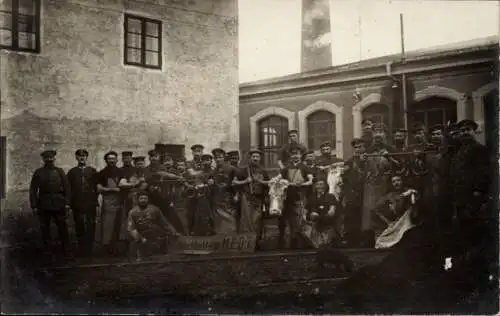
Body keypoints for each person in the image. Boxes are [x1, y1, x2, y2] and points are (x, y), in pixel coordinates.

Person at [29, 150, 71, 257]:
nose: (49, 160)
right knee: (45, 228)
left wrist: (67, 203)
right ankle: (47, 251)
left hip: (59, 203)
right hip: (44, 204)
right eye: (47, 158)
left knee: (62, 227)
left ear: (54, 159)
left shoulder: (60, 171)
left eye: (51, 158)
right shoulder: (39, 172)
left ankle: (66, 250)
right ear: (43, 159)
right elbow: (33, 190)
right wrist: (34, 205)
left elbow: (67, 188)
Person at [127, 191, 180, 261]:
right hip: (139, 235)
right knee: (138, 254)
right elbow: (132, 228)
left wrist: (173, 232)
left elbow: (164, 223)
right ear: (138, 200)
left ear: (148, 199)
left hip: (152, 233)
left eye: (145, 198)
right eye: (141, 198)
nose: (143, 200)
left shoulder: (154, 209)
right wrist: (140, 238)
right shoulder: (132, 212)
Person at [278, 146, 313, 249]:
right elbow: (280, 177)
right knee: (289, 219)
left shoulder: (305, 167)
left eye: (297, 154)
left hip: (301, 196)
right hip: (288, 197)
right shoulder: (286, 168)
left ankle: (301, 242)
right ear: (290, 156)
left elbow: (310, 180)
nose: (295, 156)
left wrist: (302, 184)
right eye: (293, 154)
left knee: (301, 218)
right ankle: (290, 241)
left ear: (301, 155)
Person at [67, 149, 98, 257]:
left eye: (84, 156)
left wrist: (95, 199)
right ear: (76, 157)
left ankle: (89, 249)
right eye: (79, 156)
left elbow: (97, 186)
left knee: (91, 224)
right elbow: (68, 188)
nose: (82, 158)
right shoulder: (72, 172)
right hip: (77, 203)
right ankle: (81, 248)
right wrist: (70, 202)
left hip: (90, 202)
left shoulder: (92, 171)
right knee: (79, 224)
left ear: (86, 157)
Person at [232, 149, 270, 238]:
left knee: (257, 220)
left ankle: (256, 242)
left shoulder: (263, 171)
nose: (255, 159)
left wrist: (263, 183)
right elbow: (234, 182)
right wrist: (245, 181)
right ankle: (246, 241)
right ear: (250, 158)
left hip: (259, 199)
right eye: (253, 157)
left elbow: (268, 184)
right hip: (247, 198)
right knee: (247, 220)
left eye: (257, 157)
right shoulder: (243, 170)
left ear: (260, 158)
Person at [96, 151, 123, 254]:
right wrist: (113, 190)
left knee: (119, 224)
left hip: (120, 201)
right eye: (109, 159)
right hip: (108, 202)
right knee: (107, 225)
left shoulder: (121, 172)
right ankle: (106, 248)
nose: (111, 160)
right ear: (106, 160)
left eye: (113, 158)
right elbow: (99, 189)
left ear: (116, 160)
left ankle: (117, 248)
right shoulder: (102, 173)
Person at [342, 138, 368, 247]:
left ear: (364, 147)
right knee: (352, 216)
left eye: (360, 146)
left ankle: (365, 240)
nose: (358, 149)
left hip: (367, 191)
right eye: (356, 147)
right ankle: (352, 240)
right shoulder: (349, 161)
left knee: (364, 216)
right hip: (353, 192)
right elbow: (346, 178)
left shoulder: (370, 158)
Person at [303, 178, 343, 248]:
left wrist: (319, 217)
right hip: (313, 227)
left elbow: (332, 212)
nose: (319, 186)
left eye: (321, 184)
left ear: (325, 186)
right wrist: (307, 219)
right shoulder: (311, 197)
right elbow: (305, 211)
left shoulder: (330, 196)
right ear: (315, 186)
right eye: (317, 184)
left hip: (326, 227)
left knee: (325, 246)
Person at [211, 148, 238, 234]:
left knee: (230, 221)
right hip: (217, 200)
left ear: (224, 157)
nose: (218, 159)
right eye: (216, 157)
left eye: (220, 157)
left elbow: (237, 183)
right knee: (218, 223)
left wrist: (236, 195)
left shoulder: (232, 169)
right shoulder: (213, 171)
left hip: (228, 199)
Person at [190, 154, 216, 236]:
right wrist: (203, 185)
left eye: (208, 160)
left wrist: (213, 183)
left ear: (211, 161)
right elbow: (198, 184)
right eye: (204, 160)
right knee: (201, 212)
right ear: (201, 162)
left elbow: (218, 183)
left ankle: (212, 229)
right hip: (203, 196)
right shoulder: (199, 173)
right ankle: (203, 230)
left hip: (214, 196)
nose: (206, 162)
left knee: (213, 213)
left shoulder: (214, 172)